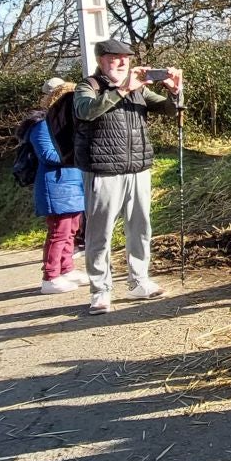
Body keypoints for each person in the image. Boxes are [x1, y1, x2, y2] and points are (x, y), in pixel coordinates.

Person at [74, 38, 180, 315]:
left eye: (125, 58)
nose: (121, 63)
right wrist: (122, 89)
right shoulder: (89, 86)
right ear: (101, 61)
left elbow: (169, 110)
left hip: (138, 169)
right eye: (114, 58)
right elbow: (86, 111)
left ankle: (139, 282)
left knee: (140, 229)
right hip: (102, 170)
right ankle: (100, 291)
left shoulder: (138, 90)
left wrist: (176, 91)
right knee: (100, 234)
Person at [29, 78, 86, 296]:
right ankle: (51, 276)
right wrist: (78, 153)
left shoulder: (69, 123)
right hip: (56, 185)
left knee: (71, 230)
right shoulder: (41, 125)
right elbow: (47, 154)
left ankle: (67, 268)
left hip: (72, 183)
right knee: (58, 232)